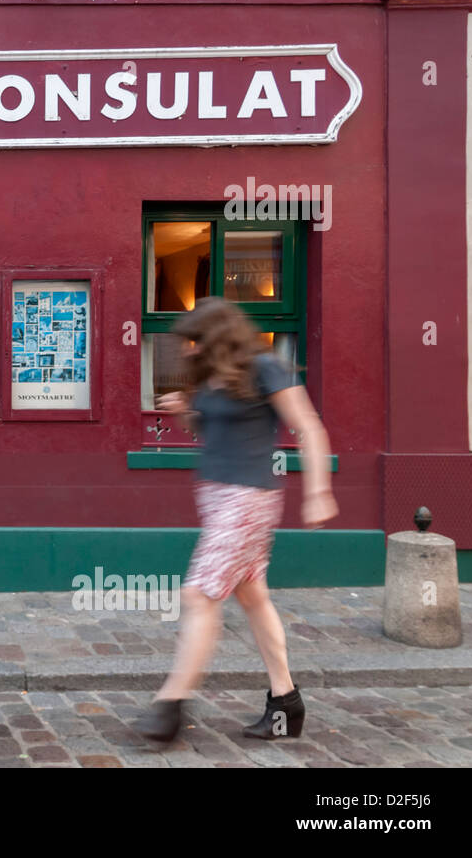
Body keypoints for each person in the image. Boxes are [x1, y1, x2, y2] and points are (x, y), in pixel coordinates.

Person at [133, 296, 338, 745]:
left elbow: (309, 426)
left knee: (199, 593)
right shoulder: (213, 377)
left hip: (248, 500)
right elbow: (216, 432)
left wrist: (320, 491)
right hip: (219, 498)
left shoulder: (267, 367)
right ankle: (286, 703)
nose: (187, 350)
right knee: (252, 598)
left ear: (218, 337)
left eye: (195, 340)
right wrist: (185, 412)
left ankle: (170, 703)